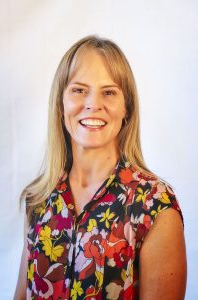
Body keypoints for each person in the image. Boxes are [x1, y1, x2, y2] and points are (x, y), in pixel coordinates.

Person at [14, 35, 187, 300]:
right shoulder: (39, 199)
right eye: (79, 90)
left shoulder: (155, 206)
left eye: (109, 92)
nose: (94, 104)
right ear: (61, 105)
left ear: (126, 107)